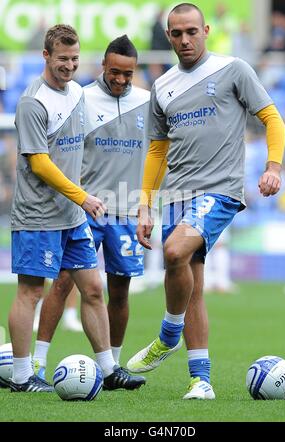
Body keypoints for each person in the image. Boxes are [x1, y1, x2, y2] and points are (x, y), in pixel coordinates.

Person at [127, 3, 285, 400]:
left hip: (220, 189)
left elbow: (272, 118)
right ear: (168, 36)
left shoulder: (234, 69)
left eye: (192, 32)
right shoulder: (162, 87)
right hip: (176, 194)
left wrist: (273, 166)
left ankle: (168, 334)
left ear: (206, 30)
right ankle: (201, 380)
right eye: (177, 33)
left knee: (175, 250)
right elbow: (157, 152)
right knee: (192, 283)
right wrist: (145, 204)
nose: (185, 40)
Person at [9, 25, 144, 393]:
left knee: (93, 289)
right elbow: (39, 162)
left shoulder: (75, 95)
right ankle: (23, 376)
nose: (69, 66)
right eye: (62, 59)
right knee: (31, 292)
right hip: (39, 214)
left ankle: (109, 368)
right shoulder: (33, 102)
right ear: (46, 57)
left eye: (73, 58)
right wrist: (82, 196)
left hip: (71, 216)